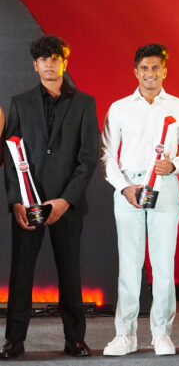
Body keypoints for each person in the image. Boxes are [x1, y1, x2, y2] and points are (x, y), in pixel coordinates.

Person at [1, 35, 99, 359]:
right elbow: (10, 153)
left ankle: (76, 340)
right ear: (35, 65)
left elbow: (87, 159)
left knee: (70, 272)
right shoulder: (20, 102)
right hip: (27, 205)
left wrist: (65, 200)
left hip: (66, 205)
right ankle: (14, 341)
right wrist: (16, 200)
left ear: (64, 62)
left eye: (55, 58)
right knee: (21, 272)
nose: (49, 64)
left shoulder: (85, 103)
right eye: (43, 59)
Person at [100, 44, 179, 356]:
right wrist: (124, 187)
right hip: (129, 186)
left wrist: (175, 165)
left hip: (166, 186)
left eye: (156, 68)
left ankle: (162, 333)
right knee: (129, 265)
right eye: (144, 68)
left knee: (163, 265)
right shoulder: (119, 108)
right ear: (136, 71)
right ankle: (124, 335)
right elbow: (107, 155)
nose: (150, 74)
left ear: (164, 71)